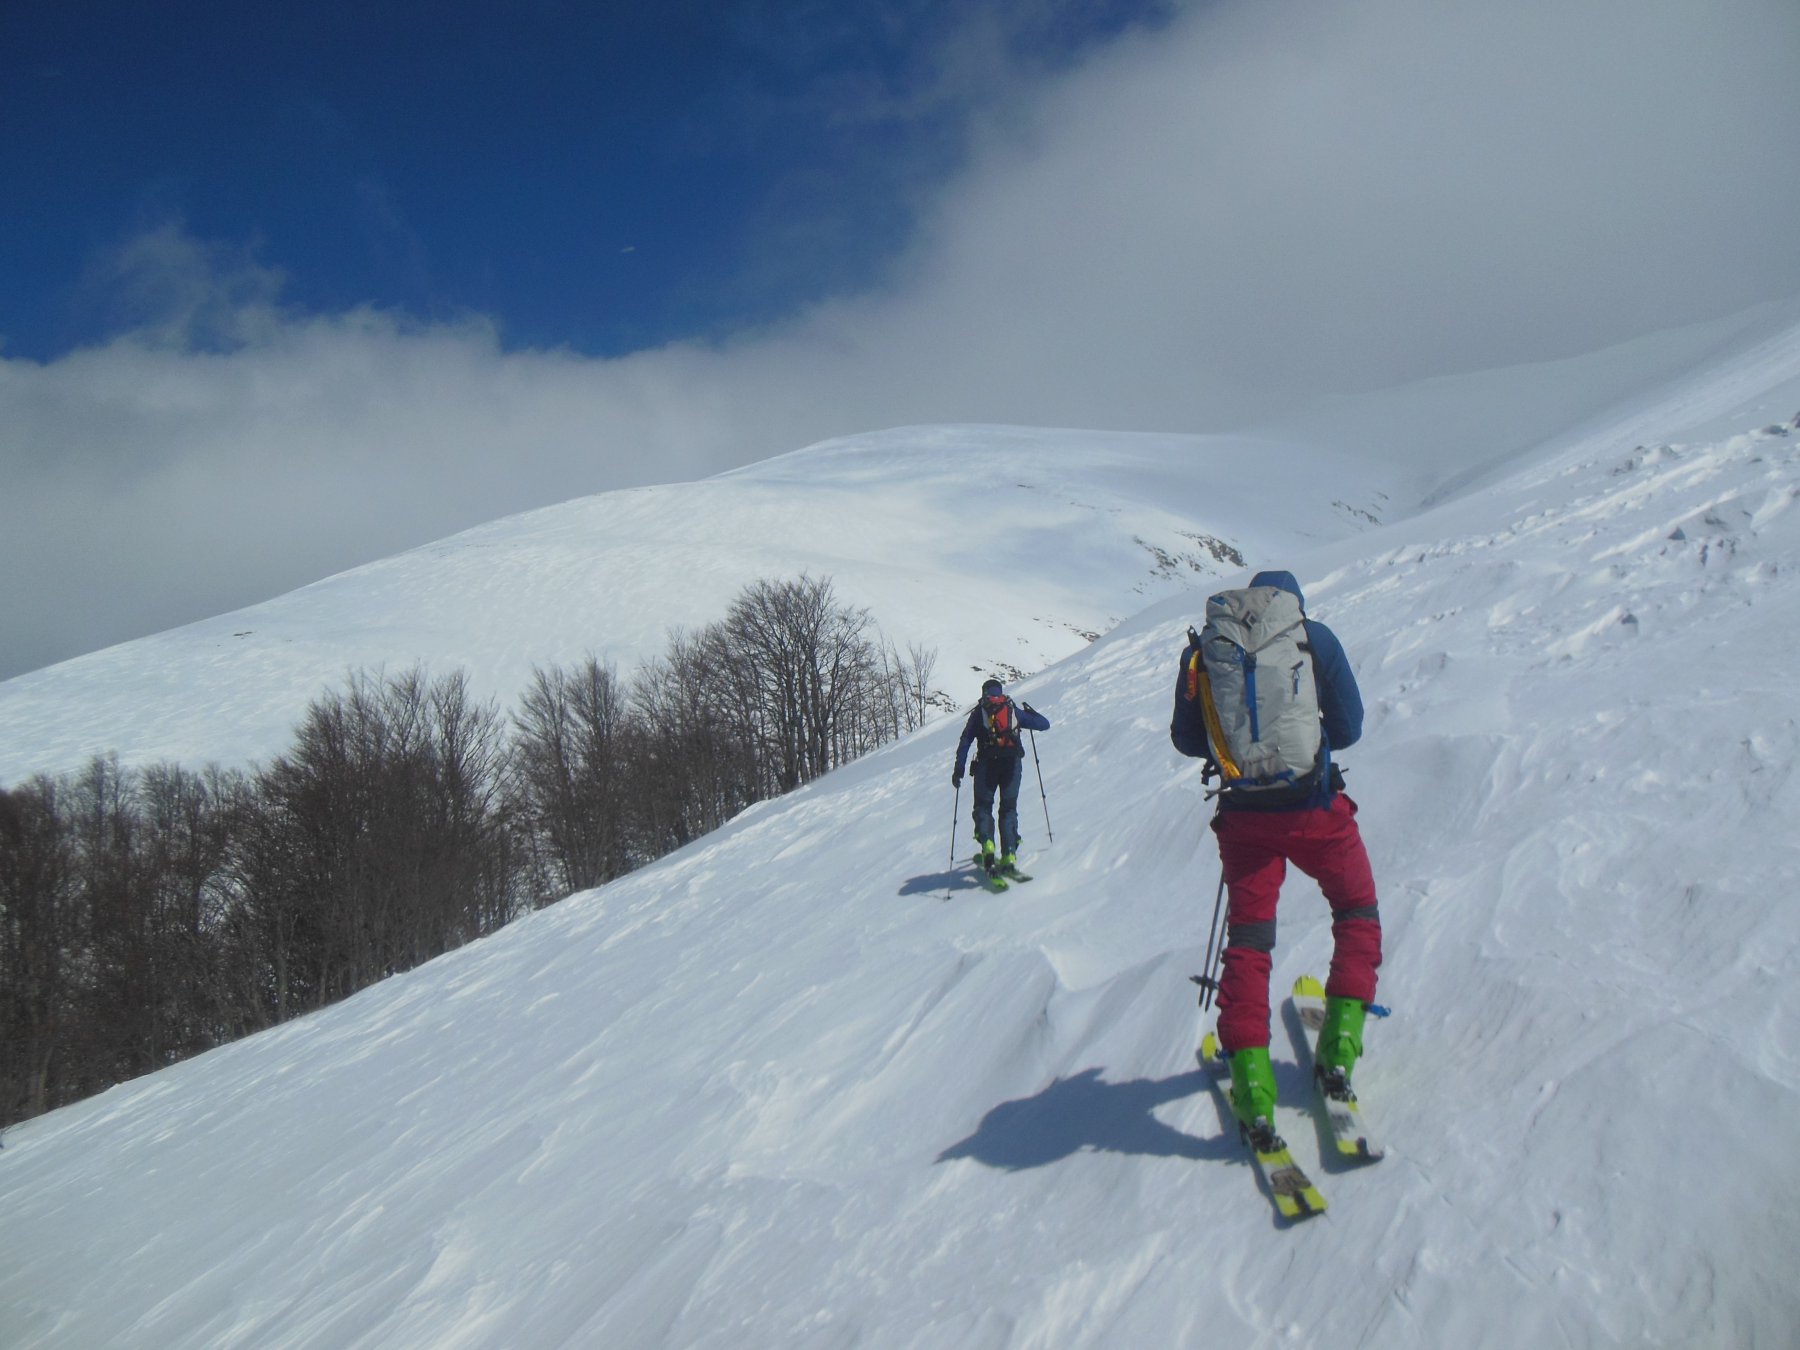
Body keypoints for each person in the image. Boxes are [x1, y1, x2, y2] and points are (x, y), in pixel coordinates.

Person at [1170, 570, 1381, 1132]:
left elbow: (1187, 739)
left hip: (1245, 819)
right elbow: (1350, 729)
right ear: (1292, 603)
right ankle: (1340, 1048)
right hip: (1316, 811)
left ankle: (1252, 1085)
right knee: (1355, 913)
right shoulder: (1313, 637)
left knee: (1250, 940)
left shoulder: (1204, 651)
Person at [952, 678, 1050, 877]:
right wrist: (1031, 712)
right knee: (1008, 809)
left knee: (983, 807)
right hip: (1012, 765)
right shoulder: (1011, 709)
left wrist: (959, 769)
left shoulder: (979, 713)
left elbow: (965, 741)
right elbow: (1044, 724)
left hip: (986, 766)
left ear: (984, 692)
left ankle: (988, 844)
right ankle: (1009, 855)